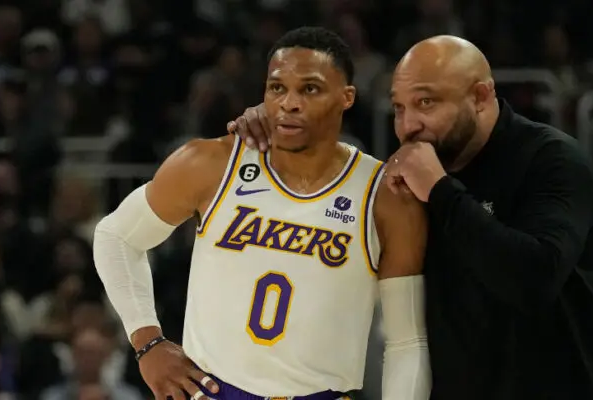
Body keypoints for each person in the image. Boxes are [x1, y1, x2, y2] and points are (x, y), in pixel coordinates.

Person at [228, 35, 593, 399]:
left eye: (426, 103)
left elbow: (534, 278)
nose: (408, 125)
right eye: (399, 107)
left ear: (480, 96)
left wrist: (441, 191)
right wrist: (280, 126)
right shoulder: (415, 174)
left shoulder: (551, 160)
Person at [93, 27, 432, 400]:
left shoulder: (384, 196)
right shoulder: (210, 163)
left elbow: (406, 341)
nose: (289, 103)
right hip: (213, 391)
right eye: (277, 88)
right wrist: (147, 342)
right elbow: (115, 236)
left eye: (310, 89)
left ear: (346, 97)